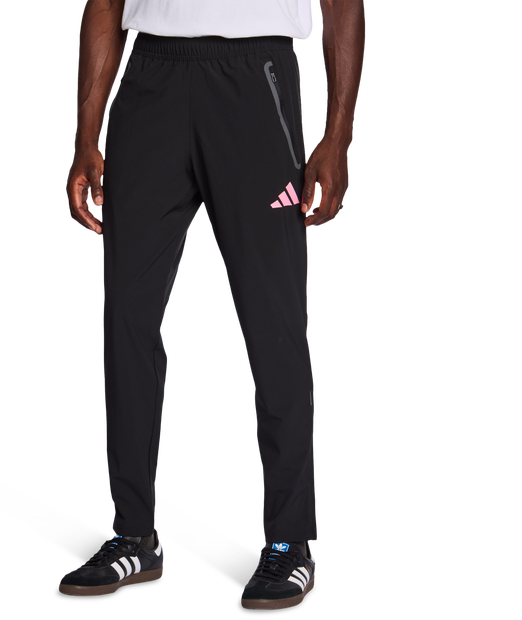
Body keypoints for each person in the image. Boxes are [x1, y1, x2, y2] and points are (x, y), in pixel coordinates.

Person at [58, 0, 366, 611]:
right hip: (149, 80)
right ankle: (134, 537)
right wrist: (86, 135)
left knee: (273, 322)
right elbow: (106, 3)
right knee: (126, 320)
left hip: (256, 82)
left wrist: (338, 135)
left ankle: (289, 544)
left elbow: (343, 3)